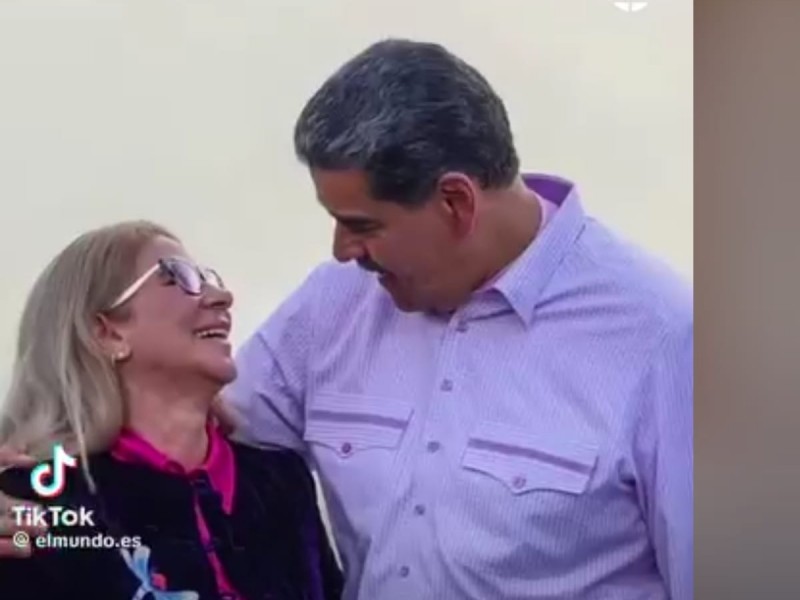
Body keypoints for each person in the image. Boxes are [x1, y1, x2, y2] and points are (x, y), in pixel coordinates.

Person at [1, 37, 692, 599]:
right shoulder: (334, 306)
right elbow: (163, 439)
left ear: (455, 202)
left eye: (361, 225)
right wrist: (24, 483)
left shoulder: (666, 340)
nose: (341, 251)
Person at [0, 221, 343, 599]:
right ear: (108, 333)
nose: (222, 297)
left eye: (208, 279)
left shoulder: (283, 483)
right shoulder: (34, 500)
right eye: (178, 277)